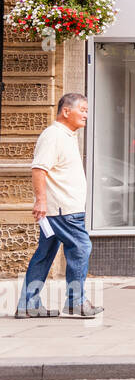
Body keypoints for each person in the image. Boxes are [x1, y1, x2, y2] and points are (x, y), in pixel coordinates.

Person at [16, 93, 103, 318]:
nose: (86, 114)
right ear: (66, 111)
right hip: (64, 211)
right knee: (82, 248)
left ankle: (29, 305)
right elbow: (39, 169)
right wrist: (41, 201)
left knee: (44, 256)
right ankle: (76, 302)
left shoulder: (66, 135)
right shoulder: (54, 135)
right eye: (82, 109)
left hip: (61, 210)